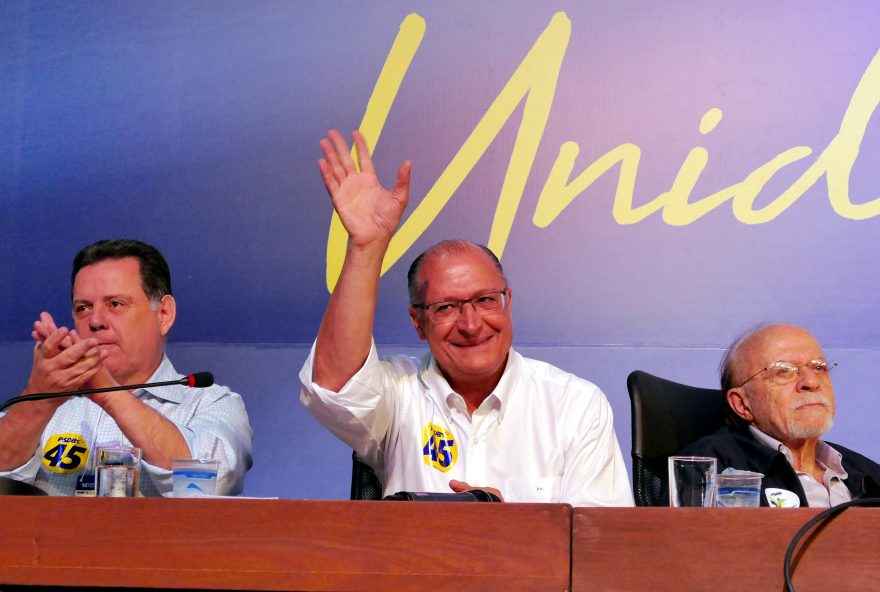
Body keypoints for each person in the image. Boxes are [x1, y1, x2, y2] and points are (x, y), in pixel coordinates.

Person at [299, 130, 632, 506]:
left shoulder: (573, 404)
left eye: (486, 300)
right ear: (417, 322)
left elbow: (598, 543)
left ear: (509, 301)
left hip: (529, 567)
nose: (471, 324)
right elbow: (335, 386)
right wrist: (366, 246)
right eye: (446, 308)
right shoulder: (399, 396)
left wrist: (507, 528)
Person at [0, 239, 253, 496]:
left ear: (163, 314)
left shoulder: (211, 401)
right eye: (83, 308)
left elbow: (214, 479)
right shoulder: (49, 407)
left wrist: (110, 394)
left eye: (115, 304)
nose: (96, 321)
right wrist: (38, 400)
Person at [679, 323, 880, 507]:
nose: (811, 382)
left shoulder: (867, 473)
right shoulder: (706, 468)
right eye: (784, 371)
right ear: (742, 404)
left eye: (819, 368)